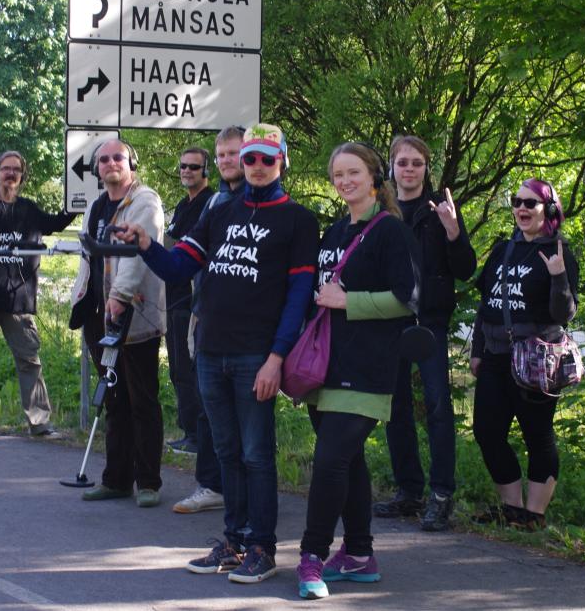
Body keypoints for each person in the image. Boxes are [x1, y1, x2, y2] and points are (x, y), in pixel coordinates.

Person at [117, 122, 319, 584]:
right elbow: (179, 265)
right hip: (210, 350)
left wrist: (277, 358)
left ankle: (262, 548)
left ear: (282, 161)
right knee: (226, 452)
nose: (257, 166)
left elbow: (298, 297)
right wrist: (147, 245)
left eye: (268, 158)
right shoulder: (219, 210)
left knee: (256, 454)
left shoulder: (299, 220)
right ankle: (234, 540)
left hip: (257, 356)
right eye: (250, 158)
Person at [295, 142, 419, 600]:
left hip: (366, 369)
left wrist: (350, 301)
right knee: (349, 462)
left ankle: (311, 556)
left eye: (353, 173)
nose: (345, 181)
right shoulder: (334, 233)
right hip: (324, 367)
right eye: (338, 175)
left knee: (329, 463)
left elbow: (410, 298)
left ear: (374, 177)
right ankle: (360, 554)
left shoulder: (391, 232)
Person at [375, 135, 476, 531]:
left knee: (437, 408)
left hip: (430, 321)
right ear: (392, 168)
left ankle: (441, 495)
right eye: (403, 162)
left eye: (417, 163)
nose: (410, 169)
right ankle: (409, 492)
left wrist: (453, 231)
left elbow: (466, 269)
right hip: (390, 319)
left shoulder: (442, 211)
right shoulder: (383, 211)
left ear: (426, 168)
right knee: (394, 409)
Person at [470, 178, 579, 530]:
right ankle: (511, 508)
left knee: (537, 435)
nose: (521, 208)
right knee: (487, 432)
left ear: (547, 210)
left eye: (530, 203)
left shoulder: (559, 252)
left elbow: (564, 315)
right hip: (495, 355)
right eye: (517, 201)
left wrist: (559, 276)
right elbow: (486, 303)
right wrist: (477, 350)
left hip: (536, 359)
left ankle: (534, 515)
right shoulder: (503, 249)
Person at [69, 138, 166, 508]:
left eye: (118, 157)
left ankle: (149, 482)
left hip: (133, 312)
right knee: (114, 397)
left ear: (131, 163)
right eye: (104, 159)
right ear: (97, 168)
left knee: (142, 398)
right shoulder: (95, 206)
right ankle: (116, 478)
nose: (111, 163)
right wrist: (83, 299)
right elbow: (88, 257)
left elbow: (137, 256)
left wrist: (120, 297)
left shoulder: (144, 202)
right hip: (98, 313)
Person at [0, 150, 75, 440]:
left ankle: (39, 424)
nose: (10, 174)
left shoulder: (29, 211)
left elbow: (56, 224)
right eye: (5, 169)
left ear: (22, 177)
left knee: (30, 362)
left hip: (19, 303)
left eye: (16, 170)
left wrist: (79, 199)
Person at [172, 126, 244, 515]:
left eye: (235, 153)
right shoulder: (215, 202)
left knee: (247, 414)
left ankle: (244, 496)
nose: (228, 161)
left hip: (250, 328)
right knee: (207, 403)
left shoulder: (267, 204)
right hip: (205, 315)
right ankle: (210, 485)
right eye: (223, 155)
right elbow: (186, 255)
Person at [164, 146, 214, 455]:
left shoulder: (211, 204)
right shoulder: (183, 205)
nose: (187, 171)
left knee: (190, 371)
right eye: (183, 166)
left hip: (193, 300)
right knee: (178, 370)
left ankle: (197, 436)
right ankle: (188, 431)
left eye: (194, 167)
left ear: (207, 171)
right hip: (172, 296)